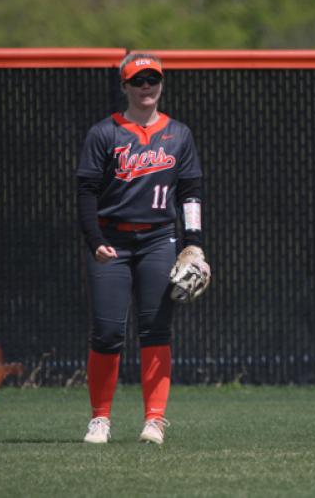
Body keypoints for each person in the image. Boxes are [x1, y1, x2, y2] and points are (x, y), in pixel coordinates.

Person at [76, 52, 210, 444]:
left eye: (152, 79)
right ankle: (100, 418)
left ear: (162, 83)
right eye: (138, 80)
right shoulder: (105, 133)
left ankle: (155, 419)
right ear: (125, 86)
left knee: (156, 330)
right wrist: (95, 240)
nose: (146, 86)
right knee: (106, 332)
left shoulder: (179, 135)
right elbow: (85, 192)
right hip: (111, 240)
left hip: (158, 240)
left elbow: (190, 194)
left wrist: (194, 246)